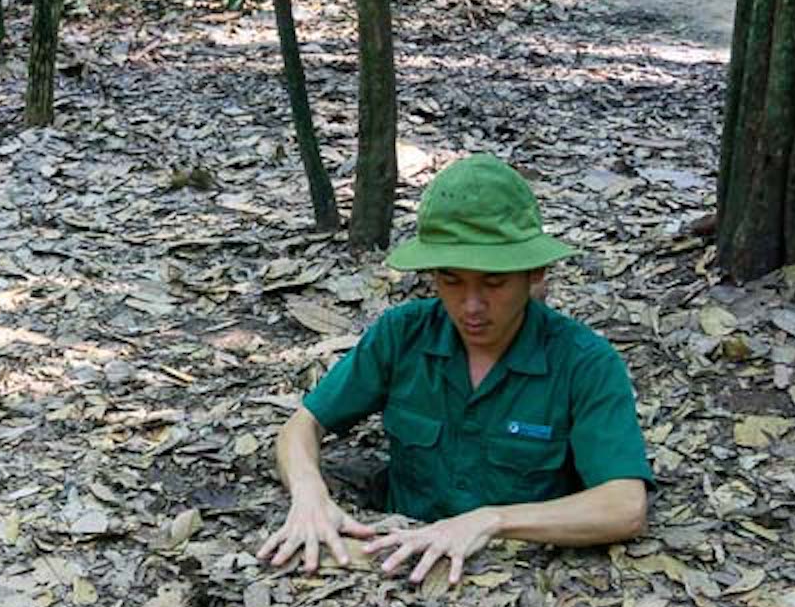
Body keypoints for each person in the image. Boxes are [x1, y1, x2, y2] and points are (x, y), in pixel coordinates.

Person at [257, 154, 654, 585]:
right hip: (394, 562)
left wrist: (491, 521)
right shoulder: (403, 334)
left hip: (519, 582)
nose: (471, 306)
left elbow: (624, 506)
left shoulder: (584, 362)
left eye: (494, 283)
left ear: (533, 273)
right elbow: (303, 425)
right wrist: (309, 494)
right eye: (451, 281)